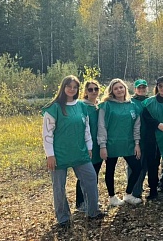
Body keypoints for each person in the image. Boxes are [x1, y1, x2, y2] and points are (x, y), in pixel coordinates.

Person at [42, 75, 104, 228]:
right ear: (63, 88)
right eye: (69, 86)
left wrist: (89, 147)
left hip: (80, 152)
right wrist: (50, 154)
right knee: (59, 186)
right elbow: (47, 133)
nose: (71, 89)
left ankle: (92, 211)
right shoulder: (54, 107)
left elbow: (86, 129)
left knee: (90, 178)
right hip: (59, 155)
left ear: (77, 89)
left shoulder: (82, 106)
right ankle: (63, 218)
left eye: (75, 87)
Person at [98, 78, 142, 206]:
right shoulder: (106, 105)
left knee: (137, 167)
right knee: (110, 170)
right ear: (111, 91)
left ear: (125, 89)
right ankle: (112, 197)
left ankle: (128, 194)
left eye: (121, 87)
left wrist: (137, 143)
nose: (119, 90)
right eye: (116, 88)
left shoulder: (133, 105)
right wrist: (102, 145)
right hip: (111, 143)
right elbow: (102, 126)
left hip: (128, 143)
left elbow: (136, 126)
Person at [75, 80, 103, 212]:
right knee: (84, 175)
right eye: (90, 89)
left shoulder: (99, 106)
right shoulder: (81, 106)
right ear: (85, 91)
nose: (93, 92)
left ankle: (92, 200)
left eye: (96, 89)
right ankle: (80, 202)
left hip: (98, 145)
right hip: (86, 145)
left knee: (94, 174)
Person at [126, 79, 150, 199]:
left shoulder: (150, 101)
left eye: (143, 88)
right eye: (139, 88)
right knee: (134, 164)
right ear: (135, 89)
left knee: (145, 164)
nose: (141, 90)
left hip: (148, 137)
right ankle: (132, 191)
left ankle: (138, 188)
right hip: (135, 138)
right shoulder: (130, 102)